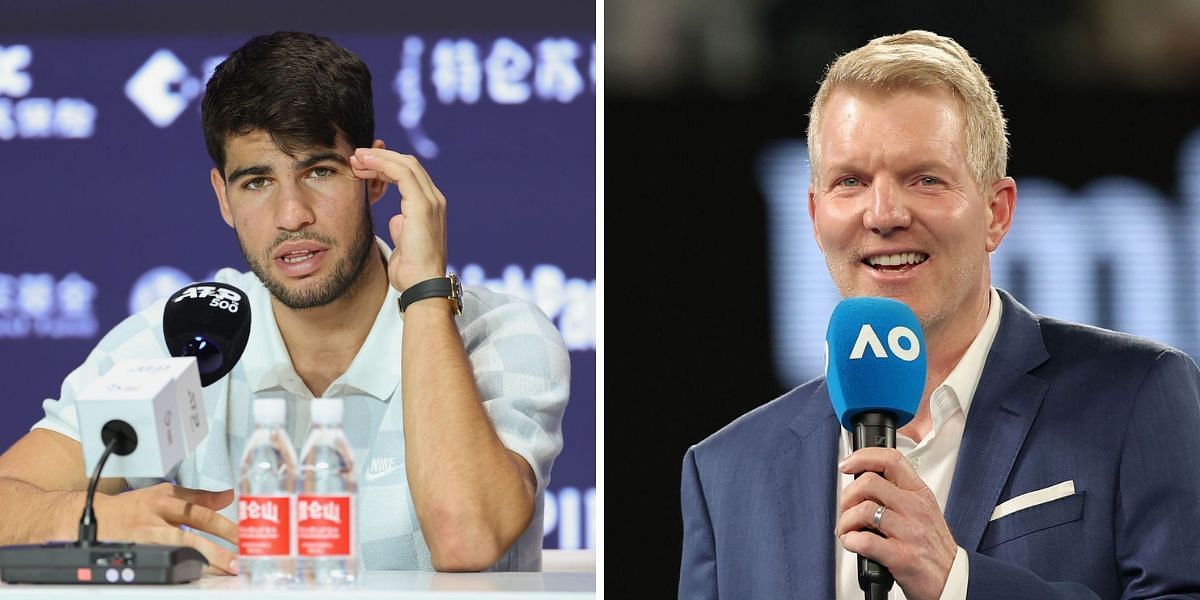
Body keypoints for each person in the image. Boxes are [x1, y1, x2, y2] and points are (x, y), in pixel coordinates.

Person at [0, 31, 569, 575]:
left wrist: (423, 293)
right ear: (222, 197)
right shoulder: (182, 337)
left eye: (319, 171)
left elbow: (466, 539)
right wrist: (86, 518)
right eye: (256, 182)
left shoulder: (500, 333)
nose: (291, 215)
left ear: (374, 176)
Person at [679, 30, 1200, 599]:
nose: (883, 214)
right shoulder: (728, 471)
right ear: (814, 214)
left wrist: (957, 582)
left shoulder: (1136, 397)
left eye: (924, 179)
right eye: (850, 182)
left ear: (996, 214)